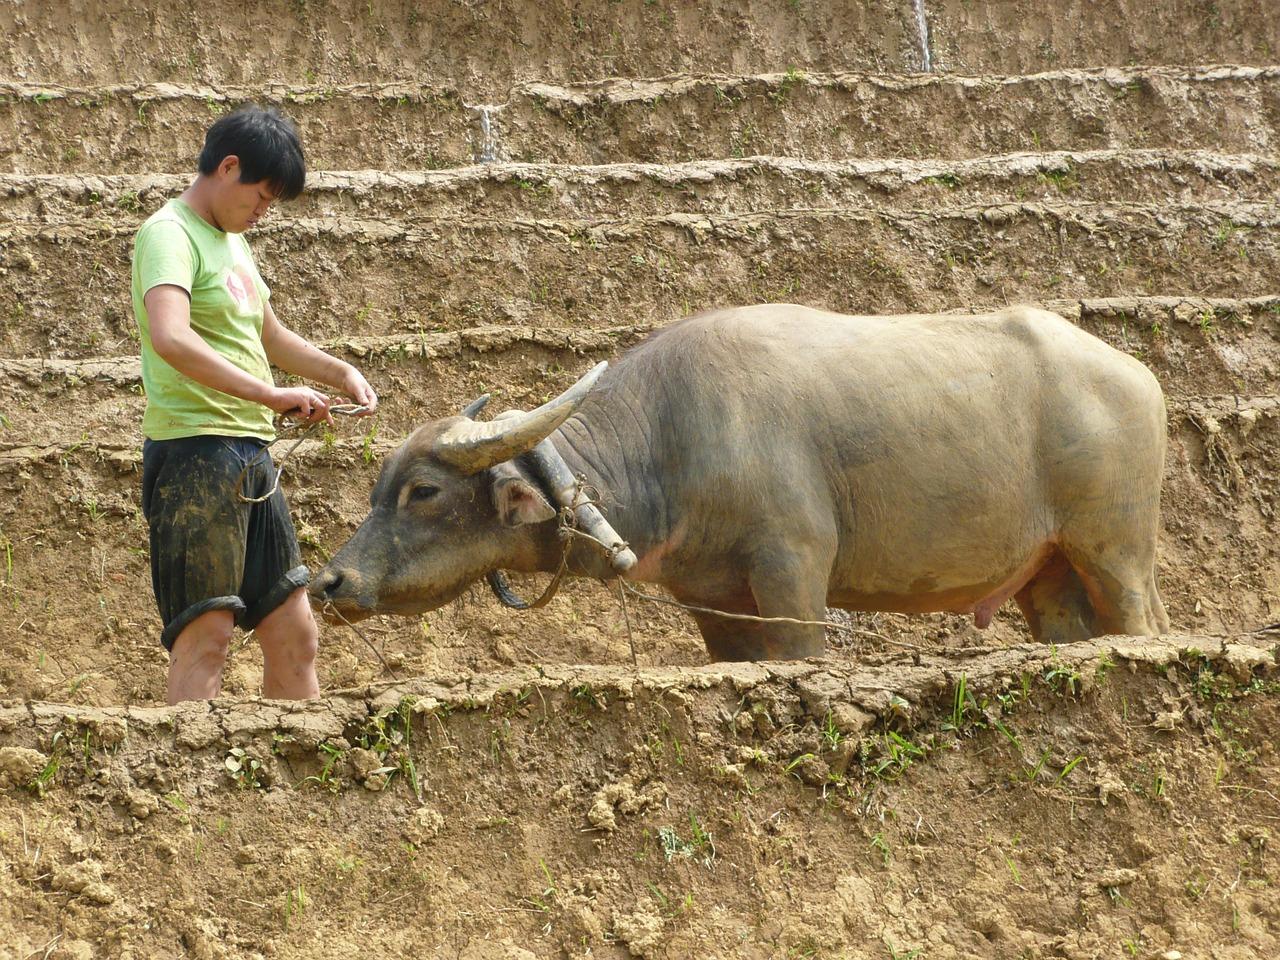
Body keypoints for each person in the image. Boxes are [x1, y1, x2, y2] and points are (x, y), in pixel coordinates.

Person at [130, 104, 377, 704]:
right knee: (207, 636)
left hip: (249, 456)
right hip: (195, 454)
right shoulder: (169, 233)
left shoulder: (233, 243)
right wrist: (271, 393)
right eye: (260, 196)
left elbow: (267, 336)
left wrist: (338, 370)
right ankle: (192, 787)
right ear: (228, 166)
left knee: (295, 632)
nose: (262, 212)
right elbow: (171, 336)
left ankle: (297, 782)